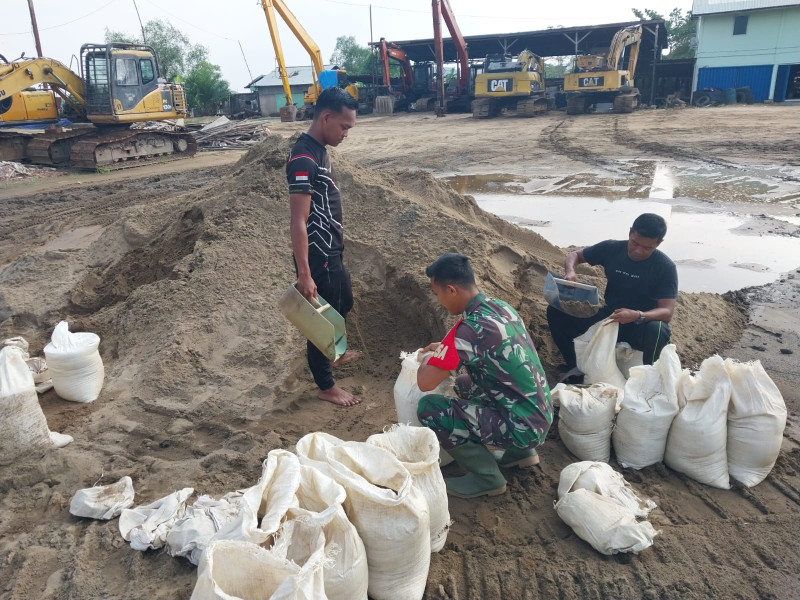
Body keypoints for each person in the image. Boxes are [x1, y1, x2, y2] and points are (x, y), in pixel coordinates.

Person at [415, 253, 553, 499]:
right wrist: (446, 347)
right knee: (464, 383)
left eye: (437, 294)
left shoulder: (468, 331)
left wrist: (426, 358)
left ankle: (487, 478)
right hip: (539, 414)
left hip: (522, 428)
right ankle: (521, 454)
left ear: (452, 290)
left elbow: (425, 382)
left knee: (429, 409)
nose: (439, 301)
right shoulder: (501, 308)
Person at [286, 87, 361, 407]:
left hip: (332, 249)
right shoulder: (304, 158)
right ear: (326, 117)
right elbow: (298, 221)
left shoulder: (319, 150)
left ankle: (335, 352)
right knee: (321, 322)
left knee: (343, 303)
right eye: (344, 127)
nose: (346, 134)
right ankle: (326, 386)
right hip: (319, 253)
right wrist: (304, 273)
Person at [547, 213, 677, 380]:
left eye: (647, 248)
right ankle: (575, 366)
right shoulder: (612, 248)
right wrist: (570, 271)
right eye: (634, 243)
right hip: (611, 316)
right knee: (556, 312)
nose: (638, 251)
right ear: (630, 232)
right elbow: (575, 256)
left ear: (658, 243)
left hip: (640, 324)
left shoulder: (665, 267)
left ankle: (650, 378)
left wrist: (637, 315)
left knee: (658, 328)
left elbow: (667, 312)